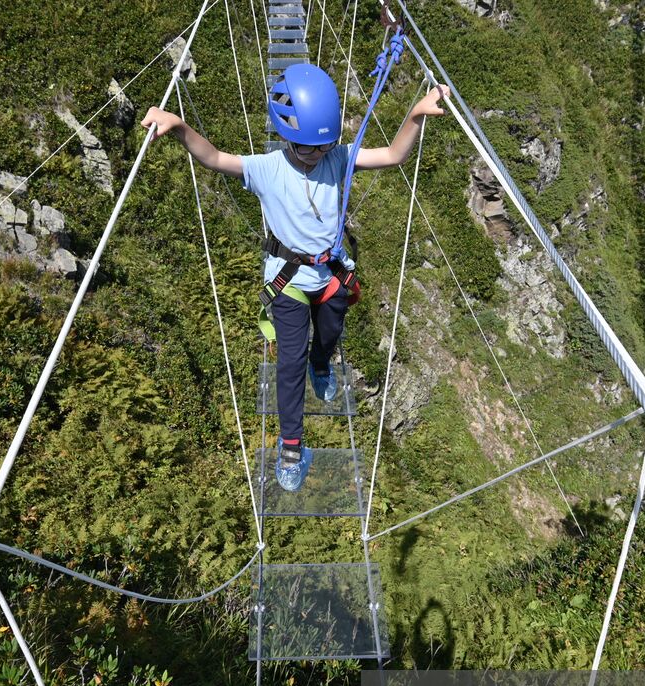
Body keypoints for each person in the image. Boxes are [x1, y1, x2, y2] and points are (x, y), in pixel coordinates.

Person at [141, 64, 448, 491]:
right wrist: (178, 127)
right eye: (307, 149)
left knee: (330, 333)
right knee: (289, 364)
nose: (315, 156)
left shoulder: (337, 158)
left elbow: (393, 155)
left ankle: (321, 366)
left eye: (322, 147)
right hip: (287, 280)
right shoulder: (268, 169)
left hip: (330, 273)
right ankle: (291, 447)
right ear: (286, 137)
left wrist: (415, 114)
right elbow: (213, 158)